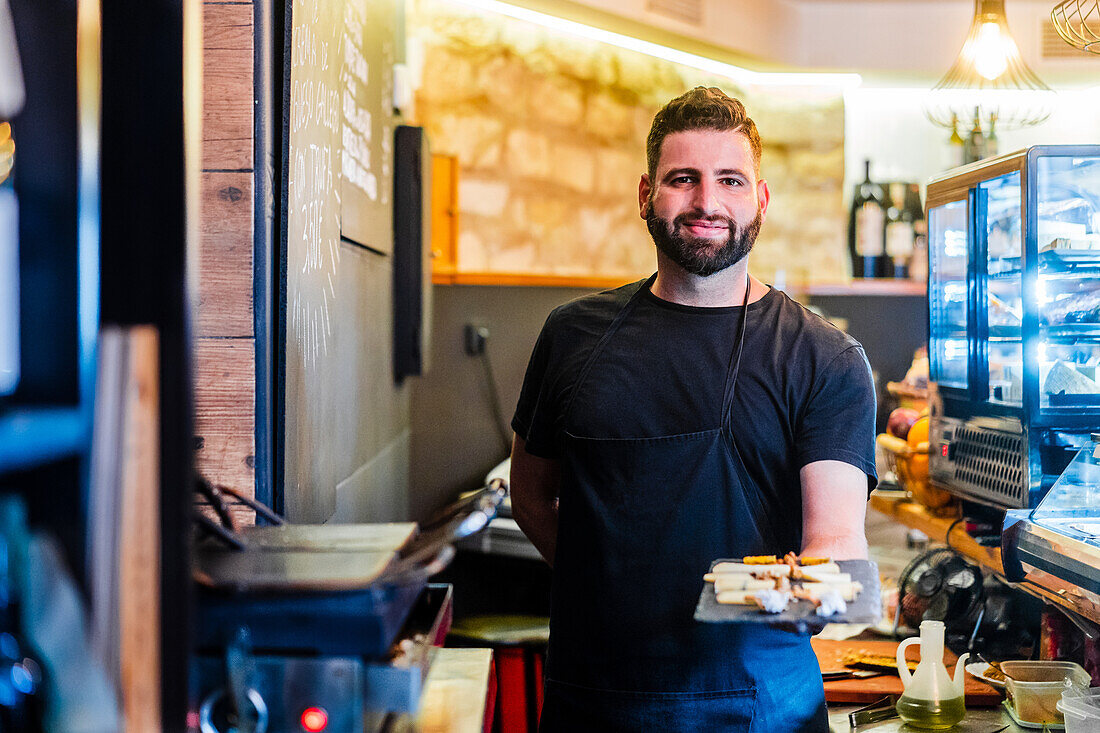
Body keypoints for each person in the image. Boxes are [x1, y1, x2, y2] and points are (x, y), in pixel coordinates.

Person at [508, 86, 877, 732]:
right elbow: (532, 495)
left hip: (763, 707)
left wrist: (821, 592)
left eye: (730, 180)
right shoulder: (572, 334)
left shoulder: (825, 356)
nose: (707, 202)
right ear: (646, 194)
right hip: (593, 701)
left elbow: (837, 534)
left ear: (760, 200)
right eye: (684, 179)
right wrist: (609, 589)